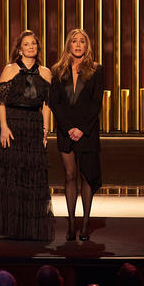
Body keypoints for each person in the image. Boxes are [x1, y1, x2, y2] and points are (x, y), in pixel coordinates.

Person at [0, 30, 54, 241]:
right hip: (12, 125)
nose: (31, 47)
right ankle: (11, 226)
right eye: (26, 44)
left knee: (31, 174)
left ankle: (30, 228)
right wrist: (4, 127)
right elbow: (0, 101)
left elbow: (46, 104)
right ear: (19, 48)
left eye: (34, 43)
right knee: (12, 174)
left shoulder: (46, 72)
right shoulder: (10, 69)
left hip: (33, 125)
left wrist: (45, 129)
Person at [48, 28, 104, 241]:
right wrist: (69, 127)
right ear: (68, 45)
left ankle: (86, 224)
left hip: (87, 132)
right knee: (70, 176)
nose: (78, 45)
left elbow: (96, 103)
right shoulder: (57, 70)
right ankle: (71, 223)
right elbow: (55, 103)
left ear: (87, 45)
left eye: (82, 41)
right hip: (65, 131)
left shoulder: (97, 70)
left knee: (86, 177)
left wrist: (81, 128)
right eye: (74, 41)